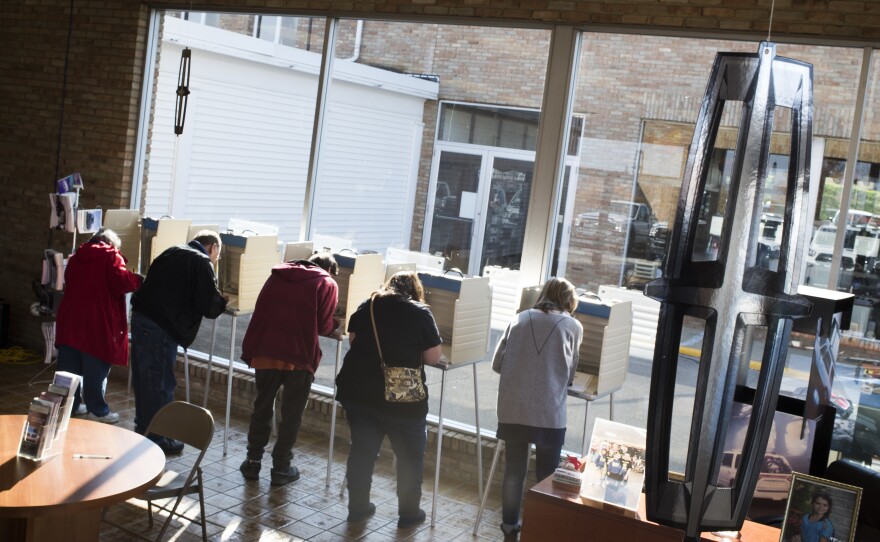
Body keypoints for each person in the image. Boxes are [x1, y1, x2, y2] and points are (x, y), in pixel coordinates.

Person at [335, 271, 442, 528]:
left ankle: (358, 509)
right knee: (409, 458)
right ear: (415, 291)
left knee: (361, 452)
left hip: (359, 393)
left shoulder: (367, 305)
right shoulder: (420, 312)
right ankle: (408, 514)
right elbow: (433, 358)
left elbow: (354, 342)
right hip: (402, 401)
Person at [238, 252, 341, 486]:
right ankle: (281, 467)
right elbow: (324, 326)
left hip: (265, 348)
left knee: (262, 406)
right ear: (330, 270)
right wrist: (337, 323)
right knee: (292, 413)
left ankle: (253, 462)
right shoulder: (326, 282)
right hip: (298, 354)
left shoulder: (276, 275)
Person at [493, 277, 583, 539]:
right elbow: (569, 376)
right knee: (546, 476)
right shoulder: (573, 326)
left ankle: (510, 528)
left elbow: (498, 364)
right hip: (548, 412)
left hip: (514, 409)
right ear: (568, 300)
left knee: (514, 471)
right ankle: (542, 529)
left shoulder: (519, 319)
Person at [130, 230, 227, 455]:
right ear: (212, 247)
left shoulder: (172, 250)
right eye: (218, 255)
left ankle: (143, 429)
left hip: (140, 318)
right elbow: (208, 305)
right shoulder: (202, 262)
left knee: (144, 379)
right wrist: (221, 302)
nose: (216, 259)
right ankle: (158, 438)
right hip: (162, 327)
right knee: (161, 383)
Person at [54, 228, 142, 423]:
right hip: (98, 321)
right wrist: (138, 280)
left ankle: (70, 406)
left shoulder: (77, 257)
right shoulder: (110, 256)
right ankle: (98, 410)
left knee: (69, 369)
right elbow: (121, 281)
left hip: (70, 318)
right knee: (96, 366)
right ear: (112, 244)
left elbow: (70, 280)